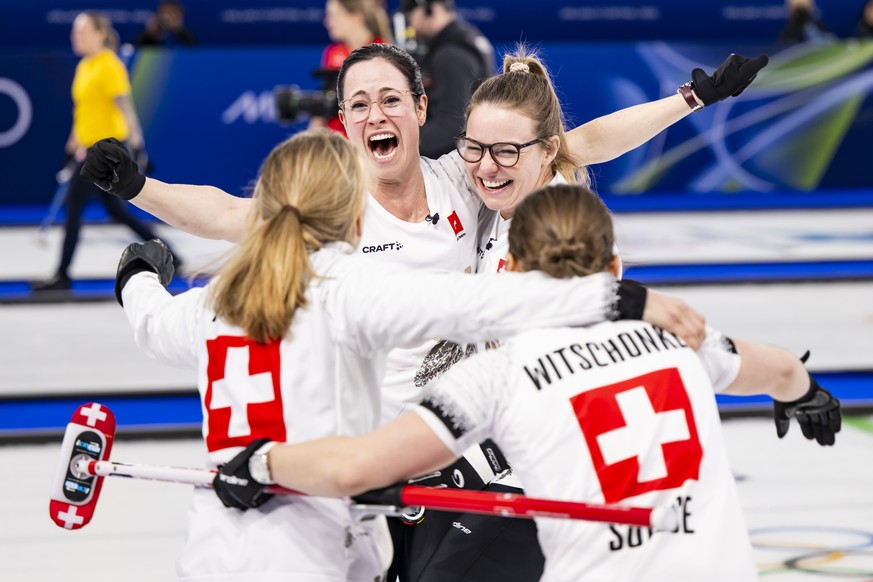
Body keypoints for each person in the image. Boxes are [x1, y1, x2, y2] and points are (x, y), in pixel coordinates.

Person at [112, 129, 669, 580]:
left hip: (210, 554)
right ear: (352, 211)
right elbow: (470, 304)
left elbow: (152, 323)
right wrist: (612, 294)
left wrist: (137, 273)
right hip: (317, 554)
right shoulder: (349, 288)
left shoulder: (218, 299)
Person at [214, 184, 842, 582]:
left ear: (509, 270)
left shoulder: (497, 374)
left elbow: (358, 469)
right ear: (615, 269)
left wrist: (262, 464)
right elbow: (781, 370)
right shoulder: (680, 338)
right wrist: (804, 393)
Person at [34, 11, 178, 293]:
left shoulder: (109, 65)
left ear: (100, 34)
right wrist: (71, 145)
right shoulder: (84, 67)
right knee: (117, 211)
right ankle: (172, 253)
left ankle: (62, 275)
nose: (76, 36)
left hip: (107, 149)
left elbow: (126, 107)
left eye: (82, 31)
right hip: (88, 148)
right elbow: (83, 113)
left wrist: (138, 145)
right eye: (74, 32)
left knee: (74, 208)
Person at [399, 0, 494, 158]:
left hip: (453, 163)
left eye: (413, 18)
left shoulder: (451, 55)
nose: (412, 26)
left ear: (431, 9)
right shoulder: (466, 39)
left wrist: (401, 145)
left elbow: (451, 125)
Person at [312, 0, 392, 135]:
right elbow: (323, 108)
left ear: (356, 16)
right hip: (333, 143)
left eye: (334, 15)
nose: (327, 22)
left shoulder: (383, 51)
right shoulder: (333, 53)